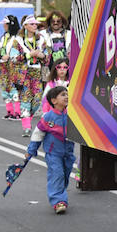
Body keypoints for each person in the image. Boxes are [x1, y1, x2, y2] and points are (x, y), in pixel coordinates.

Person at [30, 84, 74, 214]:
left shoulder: (72, 115)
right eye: (62, 95)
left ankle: (60, 193)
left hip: (68, 153)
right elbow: (38, 133)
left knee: (65, 175)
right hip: (53, 153)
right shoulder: (48, 117)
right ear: (54, 101)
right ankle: (58, 201)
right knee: (57, 174)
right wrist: (32, 149)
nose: (66, 96)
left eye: (67, 94)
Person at [0, 15, 25, 120]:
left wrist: (10, 56)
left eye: (5, 24)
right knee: (5, 89)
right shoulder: (4, 36)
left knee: (14, 89)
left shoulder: (18, 37)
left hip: (14, 67)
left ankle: (18, 112)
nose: (4, 26)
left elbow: (22, 51)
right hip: (3, 66)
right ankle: (10, 111)